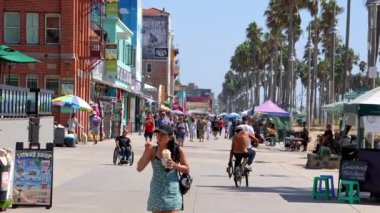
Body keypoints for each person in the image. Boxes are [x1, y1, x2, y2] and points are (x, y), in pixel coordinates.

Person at [137, 125, 190, 213]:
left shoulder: (178, 150)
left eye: (162, 134)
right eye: (158, 134)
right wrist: (146, 151)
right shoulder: (153, 150)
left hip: (172, 192)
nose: (159, 137)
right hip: (156, 191)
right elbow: (139, 168)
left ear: (170, 137)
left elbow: (187, 169)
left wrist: (175, 165)